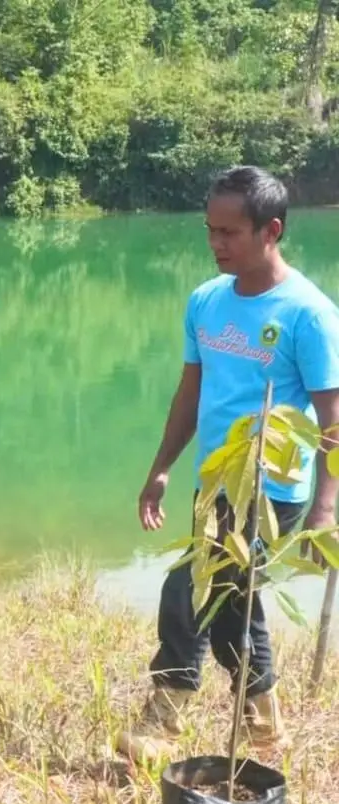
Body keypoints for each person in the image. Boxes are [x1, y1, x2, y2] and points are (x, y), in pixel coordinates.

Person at [118, 166, 339, 763]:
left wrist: (324, 507)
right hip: (213, 484)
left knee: (189, 588)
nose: (216, 243)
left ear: (271, 231)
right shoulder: (206, 301)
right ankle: (265, 727)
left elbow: (333, 423)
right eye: (210, 230)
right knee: (231, 604)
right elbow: (190, 394)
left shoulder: (308, 314)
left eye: (229, 232)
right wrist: (161, 466)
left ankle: (165, 717)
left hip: (273, 490)